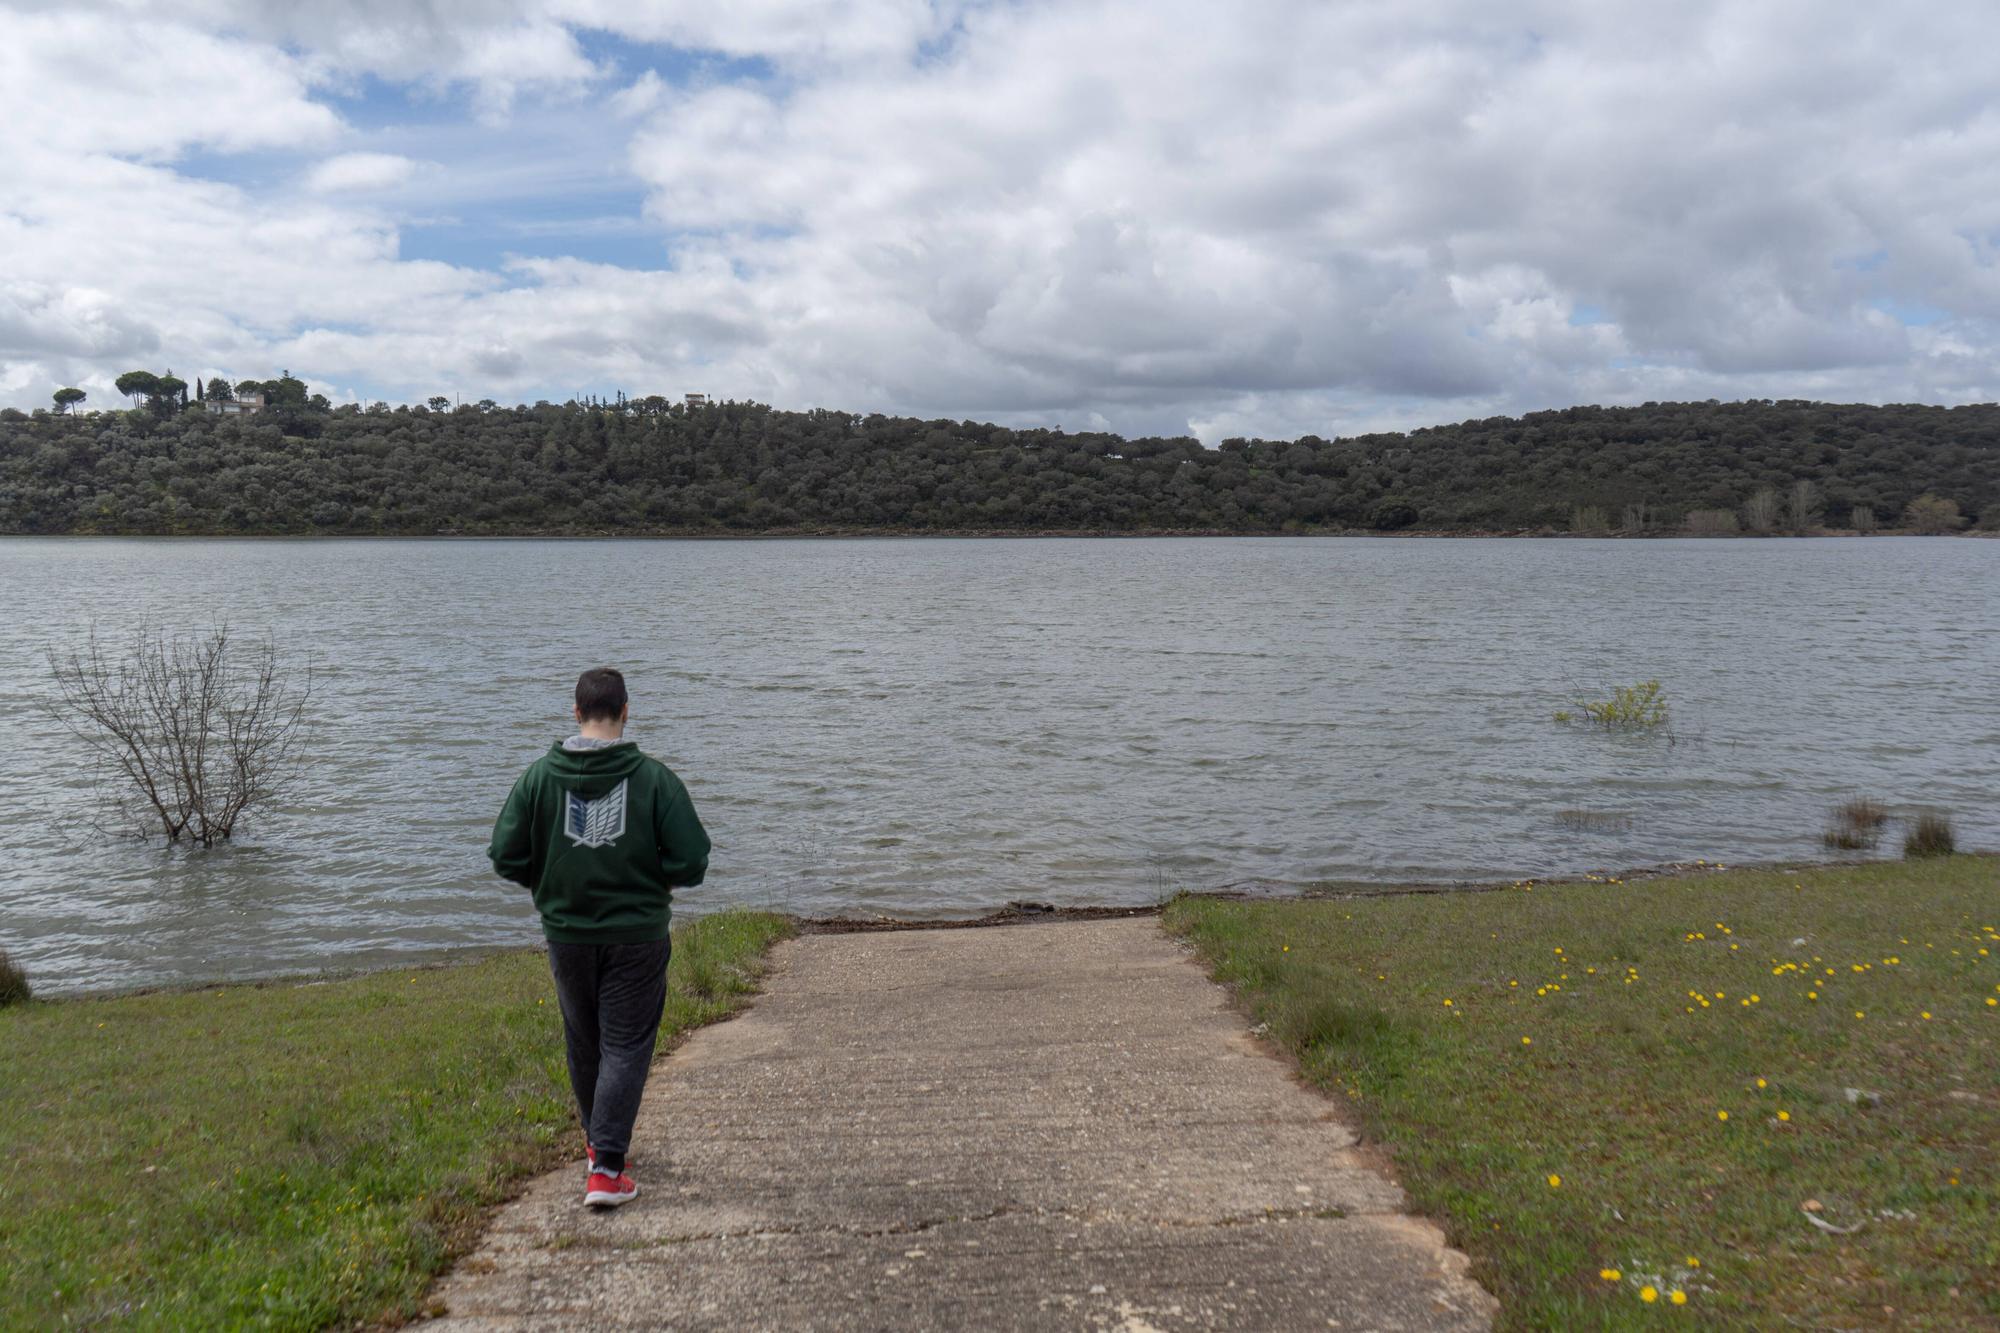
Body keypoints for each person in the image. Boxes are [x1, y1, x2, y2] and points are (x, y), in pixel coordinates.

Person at [488, 667, 711, 1208]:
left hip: (567, 935)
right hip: (638, 934)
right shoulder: (655, 780)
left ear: (576, 712)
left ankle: (599, 1150)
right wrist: (655, 881)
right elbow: (692, 860)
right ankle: (607, 1168)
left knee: (585, 1041)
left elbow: (505, 854)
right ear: (627, 711)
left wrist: (548, 886)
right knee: (626, 1045)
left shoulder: (538, 778)